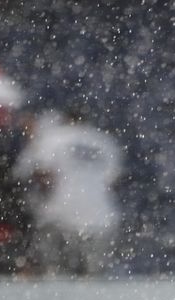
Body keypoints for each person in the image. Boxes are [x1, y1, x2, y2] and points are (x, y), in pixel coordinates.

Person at [14, 108, 124, 274]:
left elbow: (37, 173)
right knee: (95, 277)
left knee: (57, 274)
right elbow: (112, 181)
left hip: (61, 214)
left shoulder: (55, 139)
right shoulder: (104, 142)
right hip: (101, 217)